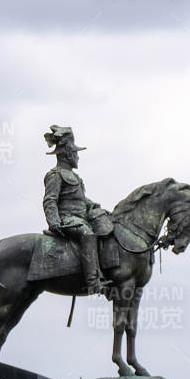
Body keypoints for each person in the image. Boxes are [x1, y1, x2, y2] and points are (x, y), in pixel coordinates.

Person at [42, 125, 112, 296]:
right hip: (67, 219)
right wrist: (54, 221)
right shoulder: (56, 174)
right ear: (68, 154)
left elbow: (80, 200)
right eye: (76, 153)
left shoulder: (76, 177)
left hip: (81, 218)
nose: (78, 157)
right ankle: (92, 281)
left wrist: (95, 206)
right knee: (88, 235)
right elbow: (50, 200)